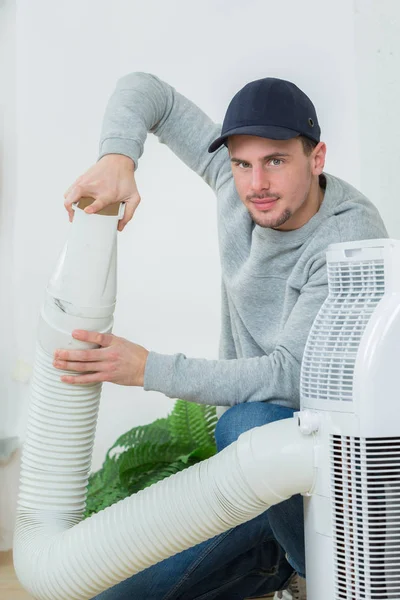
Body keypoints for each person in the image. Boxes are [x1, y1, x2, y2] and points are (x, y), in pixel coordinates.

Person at [55, 73, 388, 600]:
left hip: (327, 472)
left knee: (248, 422)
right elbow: (148, 92)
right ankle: (274, 562)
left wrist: (148, 369)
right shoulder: (238, 187)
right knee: (114, 595)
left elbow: (288, 377)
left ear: (316, 158)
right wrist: (118, 157)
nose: (256, 182)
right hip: (255, 476)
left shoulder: (349, 233)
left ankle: (312, 573)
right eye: (241, 163)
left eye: (276, 160)